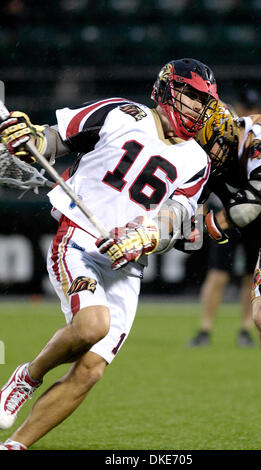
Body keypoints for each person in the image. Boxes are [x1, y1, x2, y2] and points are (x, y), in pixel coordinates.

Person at [0, 58, 221, 450]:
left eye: (201, 102)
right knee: (91, 326)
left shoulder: (197, 161)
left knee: (89, 371)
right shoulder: (120, 113)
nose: (193, 108)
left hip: (127, 264)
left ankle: (14, 446)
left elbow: (177, 216)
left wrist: (145, 237)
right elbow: (53, 140)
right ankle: (28, 376)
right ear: (167, 89)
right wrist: (28, 136)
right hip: (81, 239)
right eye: (188, 96)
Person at [192, 101, 261, 450]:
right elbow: (179, 217)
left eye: (213, 147)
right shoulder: (204, 162)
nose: (212, 159)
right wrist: (146, 236)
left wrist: (215, 223)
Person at [189, 90, 261, 348]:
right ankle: (205, 329)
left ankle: (245, 329)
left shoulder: (256, 140)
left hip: (253, 219)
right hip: (224, 218)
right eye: (246, 106)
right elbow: (203, 184)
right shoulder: (218, 139)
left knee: (250, 277)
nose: (249, 112)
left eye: (252, 108)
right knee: (218, 274)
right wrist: (198, 217)